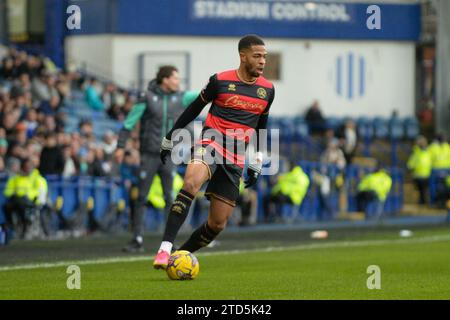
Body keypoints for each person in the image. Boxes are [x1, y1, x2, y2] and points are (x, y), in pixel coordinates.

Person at [153, 34, 275, 269]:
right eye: (257, 56)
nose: (262, 61)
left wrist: (257, 159)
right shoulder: (219, 81)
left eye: (265, 57)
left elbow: (262, 125)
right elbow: (193, 108)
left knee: (217, 224)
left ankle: (178, 256)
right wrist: (170, 136)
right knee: (190, 183)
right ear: (243, 56)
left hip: (236, 157)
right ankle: (165, 248)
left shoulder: (267, 90)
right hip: (211, 144)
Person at [115, 65, 198, 252]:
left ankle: (169, 242)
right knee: (141, 197)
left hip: (169, 156)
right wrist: (120, 146)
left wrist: (220, 86)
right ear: (165, 79)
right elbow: (128, 123)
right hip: (149, 154)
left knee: (171, 198)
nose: (178, 81)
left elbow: (203, 94)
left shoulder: (181, 97)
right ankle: (137, 239)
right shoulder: (147, 98)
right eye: (175, 78)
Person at [407, 136, 432, 205]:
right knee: (420, 190)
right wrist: (410, 167)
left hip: (427, 174)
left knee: (425, 190)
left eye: (422, 142)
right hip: (417, 175)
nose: (421, 144)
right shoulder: (416, 152)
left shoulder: (429, 151)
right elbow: (411, 163)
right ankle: (422, 202)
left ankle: (426, 202)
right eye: (420, 143)